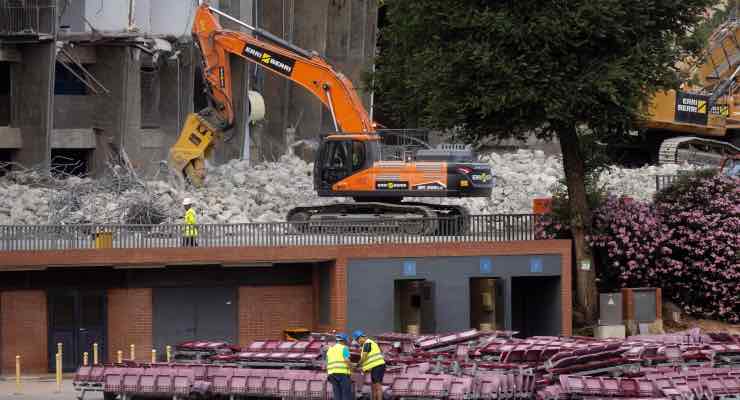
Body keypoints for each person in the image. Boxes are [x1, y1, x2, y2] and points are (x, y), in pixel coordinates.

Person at [352, 330, 385, 400]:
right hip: (375, 367)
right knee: (373, 386)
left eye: (358, 340)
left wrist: (357, 365)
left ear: (361, 337)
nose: (358, 342)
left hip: (378, 366)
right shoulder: (368, 343)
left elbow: (364, 357)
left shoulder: (367, 343)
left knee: (377, 386)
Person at [326, 333, 353, 400]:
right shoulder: (344, 348)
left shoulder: (330, 349)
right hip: (342, 373)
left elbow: (327, 362)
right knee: (346, 394)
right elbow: (347, 360)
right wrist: (352, 368)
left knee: (337, 394)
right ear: (344, 341)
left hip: (332, 374)